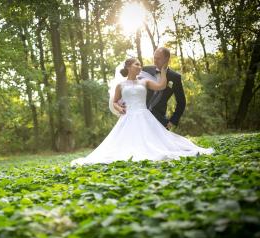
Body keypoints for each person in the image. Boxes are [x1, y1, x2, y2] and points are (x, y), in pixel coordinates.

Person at [71, 57, 213, 165]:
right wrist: (119, 107)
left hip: (144, 114)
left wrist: (163, 71)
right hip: (127, 116)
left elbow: (161, 86)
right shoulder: (120, 85)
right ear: (128, 67)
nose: (140, 66)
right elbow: (114, 101)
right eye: (137, 64)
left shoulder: (144, 82)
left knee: (153, 141)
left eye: (140, 64)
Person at [144, 47, 185, 130]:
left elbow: (181, 102)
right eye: (154, 57)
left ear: (166, 59)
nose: (155, 61)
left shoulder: (175, 77)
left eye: (158, 58)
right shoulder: (145, 70)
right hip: (141, 116)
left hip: (160, 119)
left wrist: (173, 121)